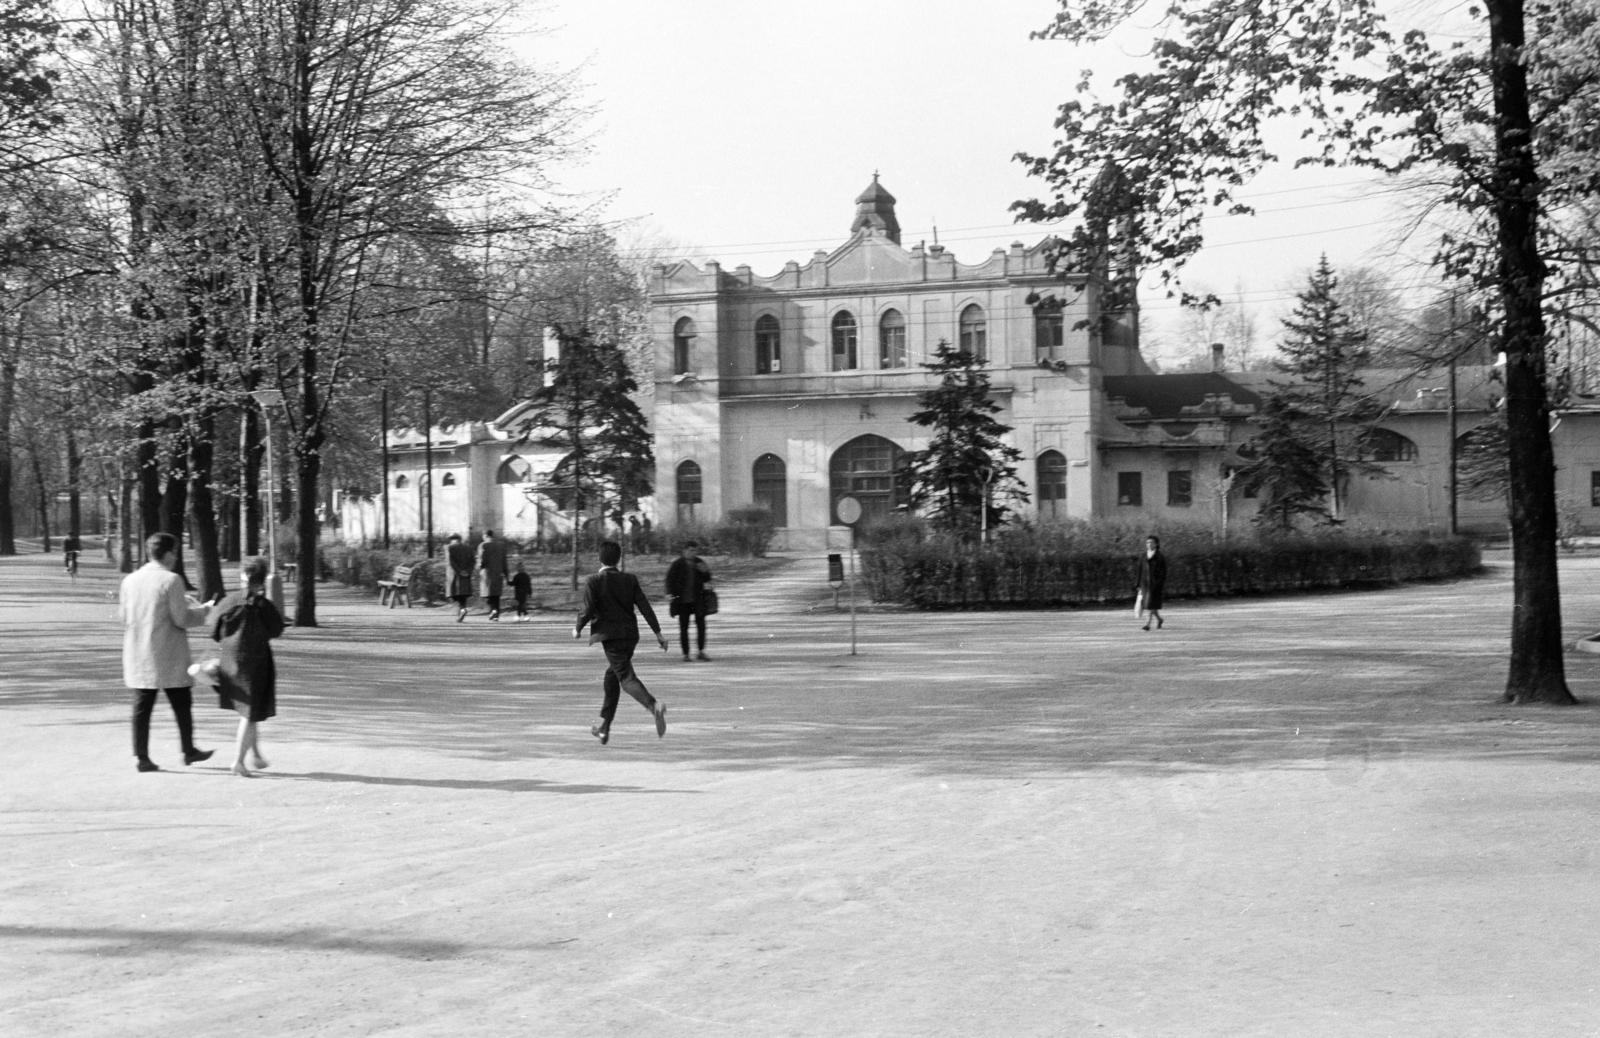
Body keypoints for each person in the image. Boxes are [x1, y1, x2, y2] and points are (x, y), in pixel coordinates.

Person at [119, 531, 214, 773]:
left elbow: (123, 616)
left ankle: (141, 756)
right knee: (182, 702)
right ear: (170, 553)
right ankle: (188, 749)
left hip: (138, 650)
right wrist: (203, 611)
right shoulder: (171, 580)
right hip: (168, 651)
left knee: (142, 707)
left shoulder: (129, 580)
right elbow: (181, 619)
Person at [574, 540, 669, 745]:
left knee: (625, 678)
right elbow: (645, 607)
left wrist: (577, 628)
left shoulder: (594, 581)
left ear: (599, 558)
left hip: (611, 638)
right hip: (630, 636)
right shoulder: (629, 579)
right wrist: (658, 634)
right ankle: (604, 728)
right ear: (618, 558)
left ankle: (654, 706)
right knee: (612, 677)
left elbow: (587, 609)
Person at [208, 557, 285, 777]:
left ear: (241, 577)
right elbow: (276, 630)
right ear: (261, 583)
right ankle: (238, 762)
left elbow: (214, 631)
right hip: (256, 663)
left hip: (230, 661)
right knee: (250, 713)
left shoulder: (228, 602)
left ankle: (256, 755)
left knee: (249, 710)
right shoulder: (264, 606)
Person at [665, 540, 714, 661]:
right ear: (685, 550)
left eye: (695, 550)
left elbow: (708, 578)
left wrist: (705, 572)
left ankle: (701, 651)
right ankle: (686, 654)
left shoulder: (699, 562)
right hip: (683, 601)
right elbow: (669, 580)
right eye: (691, 550)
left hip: (698, 600)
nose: (693, 553)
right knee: (684, 627)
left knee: (701, 626)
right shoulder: (677, 564)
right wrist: (669, 594)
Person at [1136, 534, 1168, 632]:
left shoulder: (1160, 557)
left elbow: (1163, 572)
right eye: (1147, 542)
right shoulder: (1143, 556)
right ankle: (1159, 619)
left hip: (1155, 586)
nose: (1149, 544)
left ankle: (1147, 624)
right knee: (1150, 605)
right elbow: (1139, 571)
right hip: (1145, 585)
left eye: (1151, 542)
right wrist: (1138, 584)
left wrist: (1159, 583)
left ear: (1156, 544)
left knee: (1151, 605)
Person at [477, 529, 509, 621]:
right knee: (496, 595)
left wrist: (479, 566)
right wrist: (506, 575)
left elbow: (482, 560)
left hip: (487, 573)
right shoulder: (501, 546)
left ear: (485, 536)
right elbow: (504, 562)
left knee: (487, 594)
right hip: (498, 573)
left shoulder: (483, 545)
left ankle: (493, 610)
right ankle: (496, 614)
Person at [445, 533, 474, 622]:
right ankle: (462, 609)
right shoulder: (469, 548)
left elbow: (451, 562)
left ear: (453, 540)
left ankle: (462, 609)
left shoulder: (450, 548)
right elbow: (473, 561)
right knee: (463, 594)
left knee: (454, 594)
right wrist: (468, 571)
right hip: (466, 575)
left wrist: (459, 571)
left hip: (454, 575)